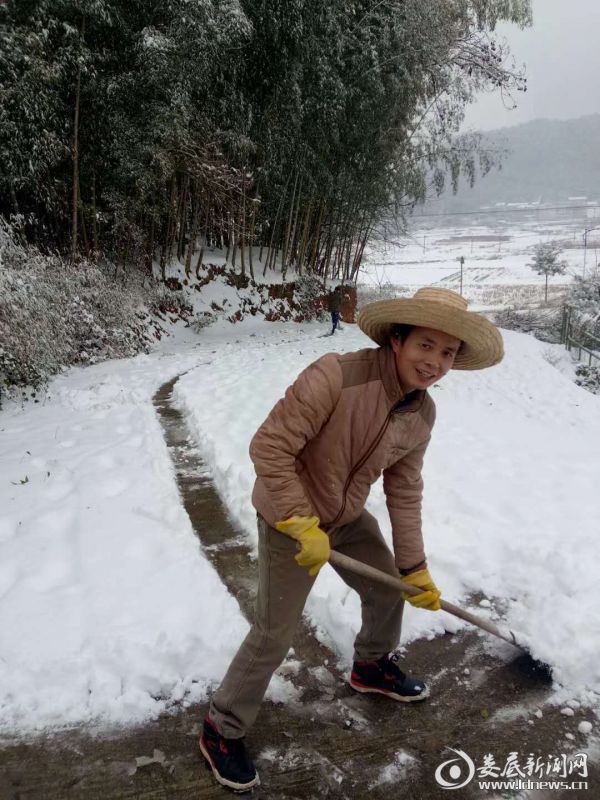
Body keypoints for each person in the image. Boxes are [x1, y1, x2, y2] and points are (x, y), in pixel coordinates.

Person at [199, 287, 504, 791]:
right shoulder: (336, 377)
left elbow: (404, 490)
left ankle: (371, 667)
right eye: (426, 345)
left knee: (388, 589)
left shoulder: (421, 414)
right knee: (275, 631)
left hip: (343, 517)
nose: (434, 362)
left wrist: (414, 569)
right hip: (289, 518)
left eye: (447, 353)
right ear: (398, 340)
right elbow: (269, 447)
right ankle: (221, 725)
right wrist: (299, 521)